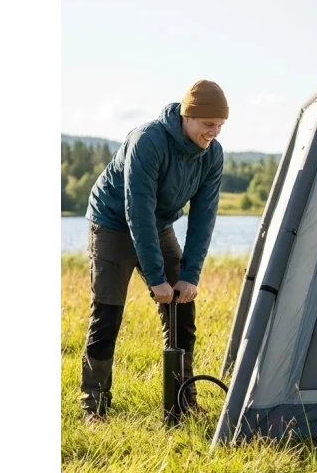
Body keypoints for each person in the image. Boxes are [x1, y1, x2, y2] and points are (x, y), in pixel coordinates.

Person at [79, 80, 229, 422]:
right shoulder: (148, 140)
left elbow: (204, 217)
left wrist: (189, 276)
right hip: (112, 222)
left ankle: (183, 399)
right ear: (187, 116)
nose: (214, 132)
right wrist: (156, 278)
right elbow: (138, 210)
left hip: (158, 224)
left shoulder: (212, 155)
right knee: (107, 313)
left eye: (221, 125)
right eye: (208, 124)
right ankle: (94, 406)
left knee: (182, 308)